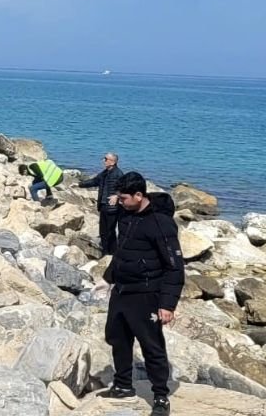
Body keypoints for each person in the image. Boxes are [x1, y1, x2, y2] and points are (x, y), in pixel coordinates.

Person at [102, 172, 183, 416]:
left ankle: (160, 397)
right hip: (122, 289)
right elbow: (122, 251)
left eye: (124, 198)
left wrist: (167, 305)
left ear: (139, 195)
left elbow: (174, 266)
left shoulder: (161, 223)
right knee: (116, 337)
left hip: (147, 293)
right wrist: (108, 278)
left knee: (151, 345)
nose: (121, 201)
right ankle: (123, 384)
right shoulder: (127, 214)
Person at [79, 153, 125, 255]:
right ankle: (105, 253)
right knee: (103, 232)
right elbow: (94, 181)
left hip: (112, 207)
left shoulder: (118, 173)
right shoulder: (104, 173)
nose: (103, 161)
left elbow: (125, 187)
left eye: (106, 159)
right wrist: (79, 184)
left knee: (110, 232)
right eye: (104, 159)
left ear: (112, 162)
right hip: (103, 206)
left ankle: (112, 253)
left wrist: (117, 196)